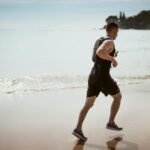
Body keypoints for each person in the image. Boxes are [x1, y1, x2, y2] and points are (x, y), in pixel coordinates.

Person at [72, 22, 123, 141]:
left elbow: (94, 58)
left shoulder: (99, 40)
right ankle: (110, 122)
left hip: (93, 75)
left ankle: (77, 129)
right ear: (112, 30)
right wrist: (113, 59)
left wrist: (109, 57)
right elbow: (100, 52)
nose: (117, 35)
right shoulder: (109, 41)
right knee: (118, 97)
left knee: (88, 104)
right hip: (102, 77)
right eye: (116, 32)